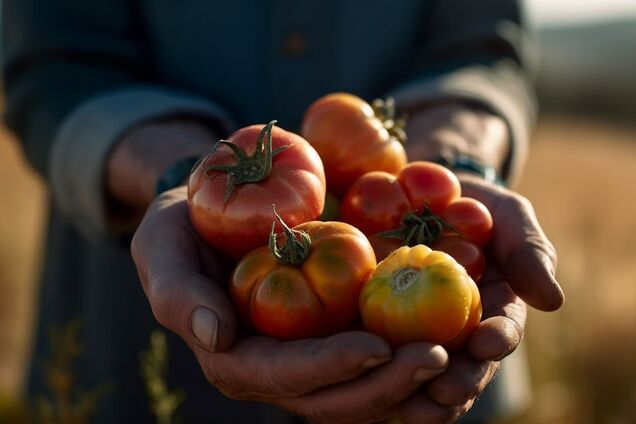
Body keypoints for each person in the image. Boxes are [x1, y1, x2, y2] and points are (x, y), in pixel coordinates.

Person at [2, 0, 564, 422]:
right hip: (131, 342)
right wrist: (181, 176)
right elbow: (53, 66)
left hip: (443, 367)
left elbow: (486, 52)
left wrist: (455, 158)